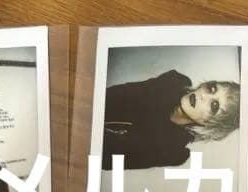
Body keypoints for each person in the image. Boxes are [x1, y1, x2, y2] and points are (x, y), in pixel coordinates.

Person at [101, 70, 240, 170]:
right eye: (212, 88)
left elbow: (108, 161)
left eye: (214, 105)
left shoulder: (174, 152)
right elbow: (108, 97)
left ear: (211, 125)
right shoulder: (173, 83)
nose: (204, 96)